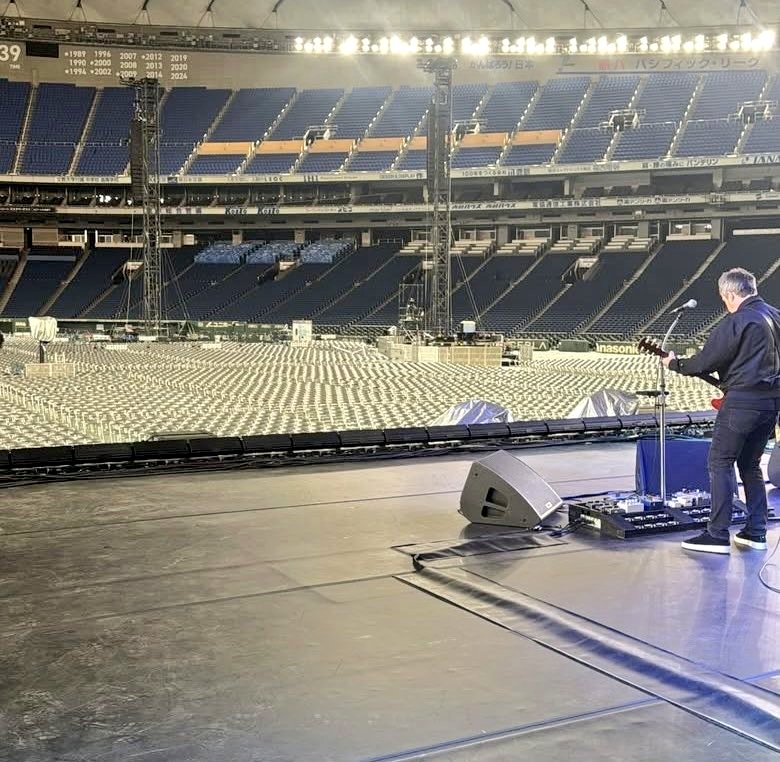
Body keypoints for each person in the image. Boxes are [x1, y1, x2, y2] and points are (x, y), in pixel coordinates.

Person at [662, 268, 780, 554]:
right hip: (771, 404)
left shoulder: (737, 322)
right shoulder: (776, 315)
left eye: (723, 298)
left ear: (729, 294)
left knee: (720, 462)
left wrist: (675, 364)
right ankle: (755, 532)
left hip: (742, 404)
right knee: (750, 465)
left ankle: (716, 534)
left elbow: (705, 361)